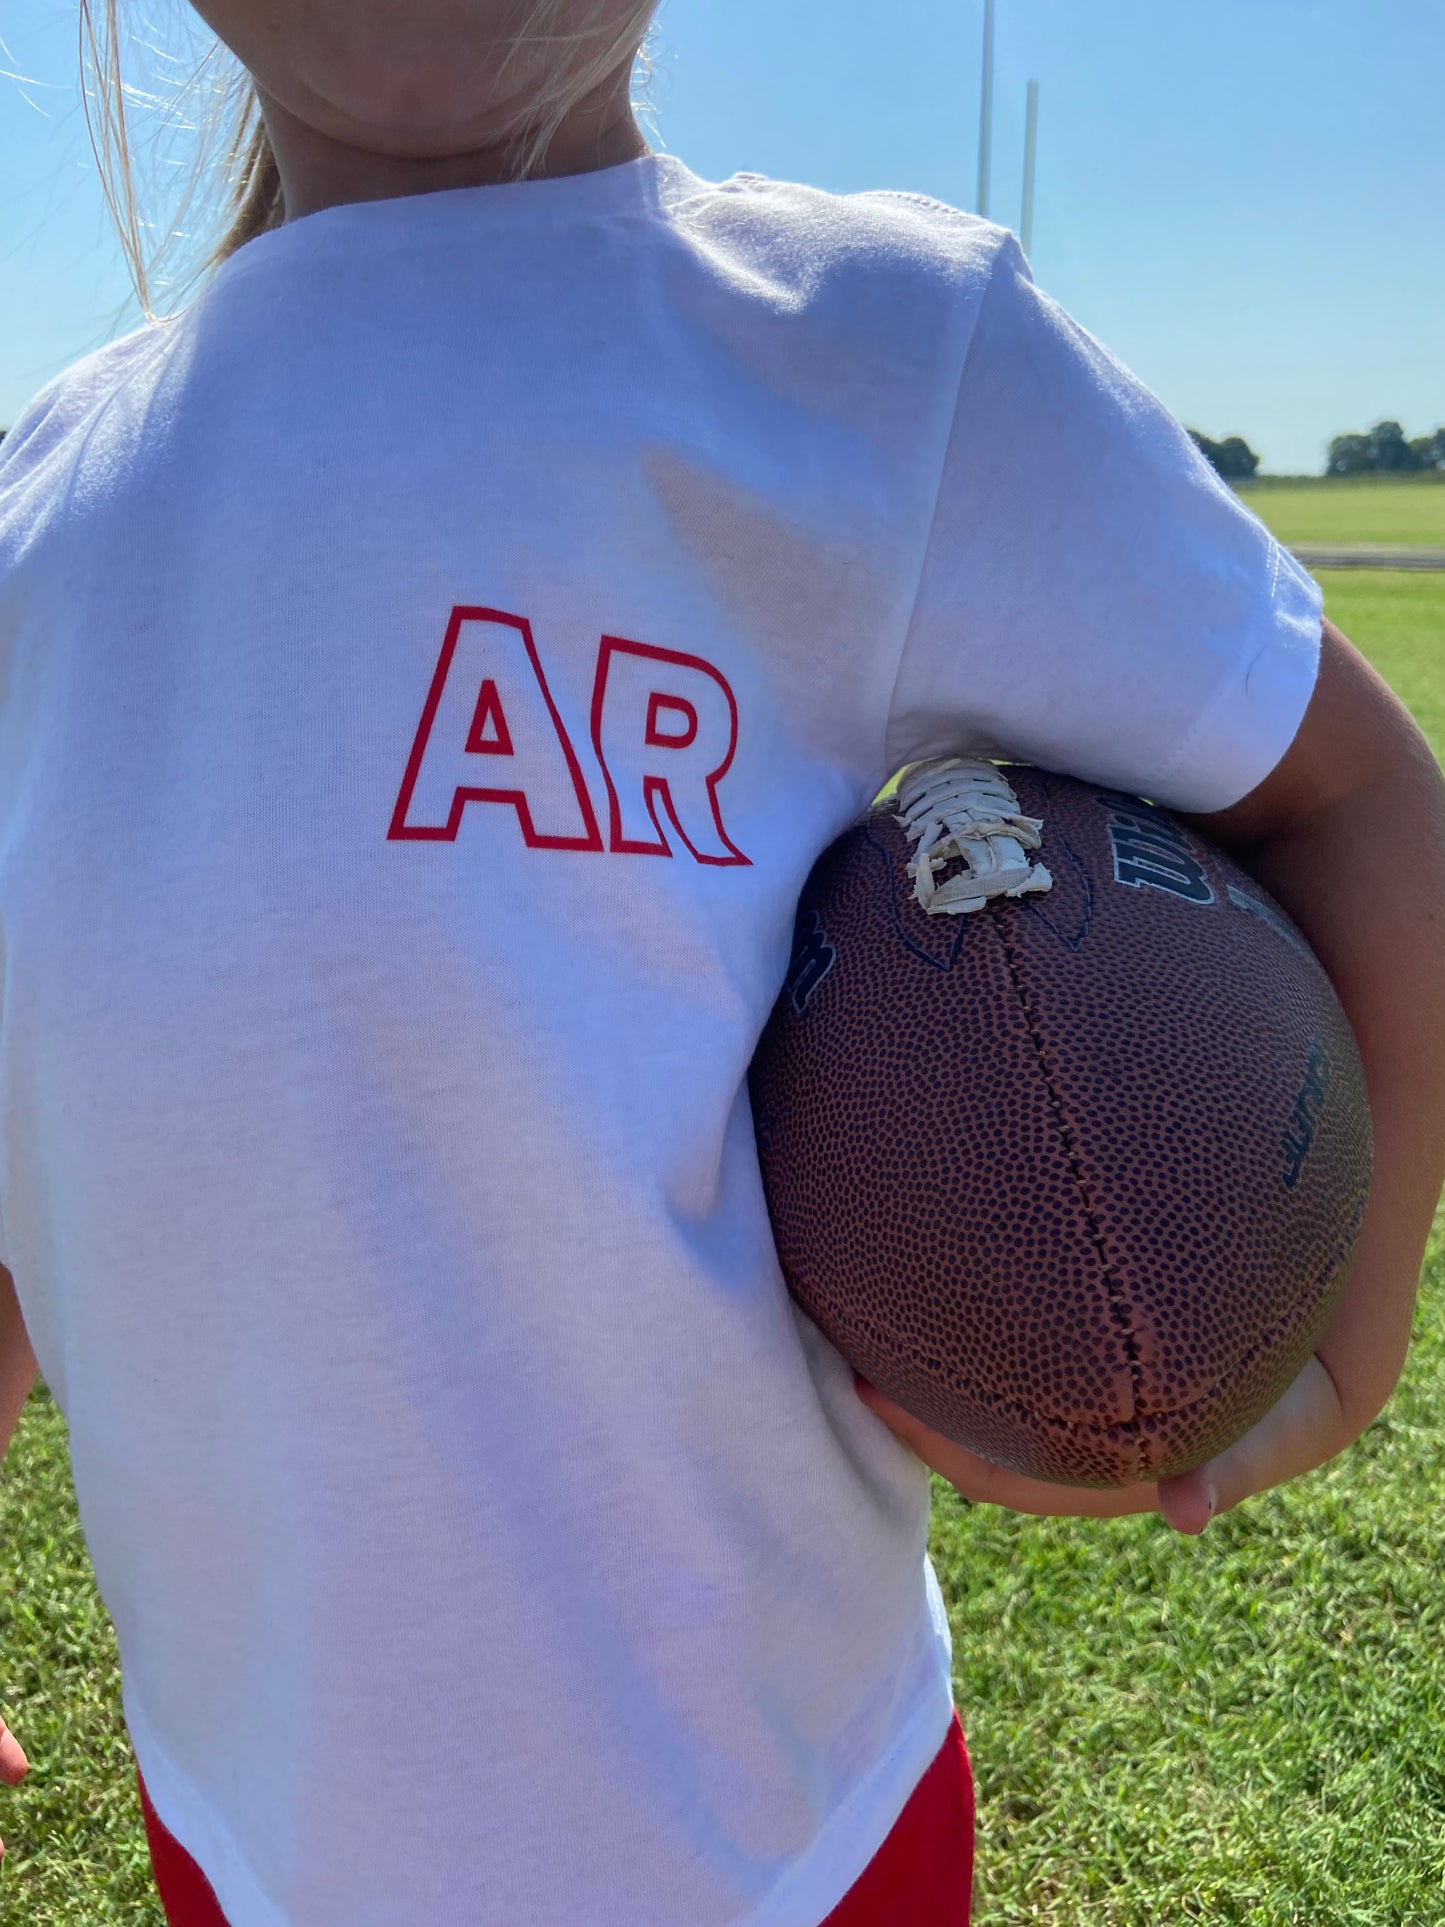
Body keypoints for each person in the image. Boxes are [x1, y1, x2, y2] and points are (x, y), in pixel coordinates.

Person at [1, 3, 1443, 1922]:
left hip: (788, 1832)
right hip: (254, 1826)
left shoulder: (878, 352)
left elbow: (1353, 795)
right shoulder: (37, 520)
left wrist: (1342, 1341)